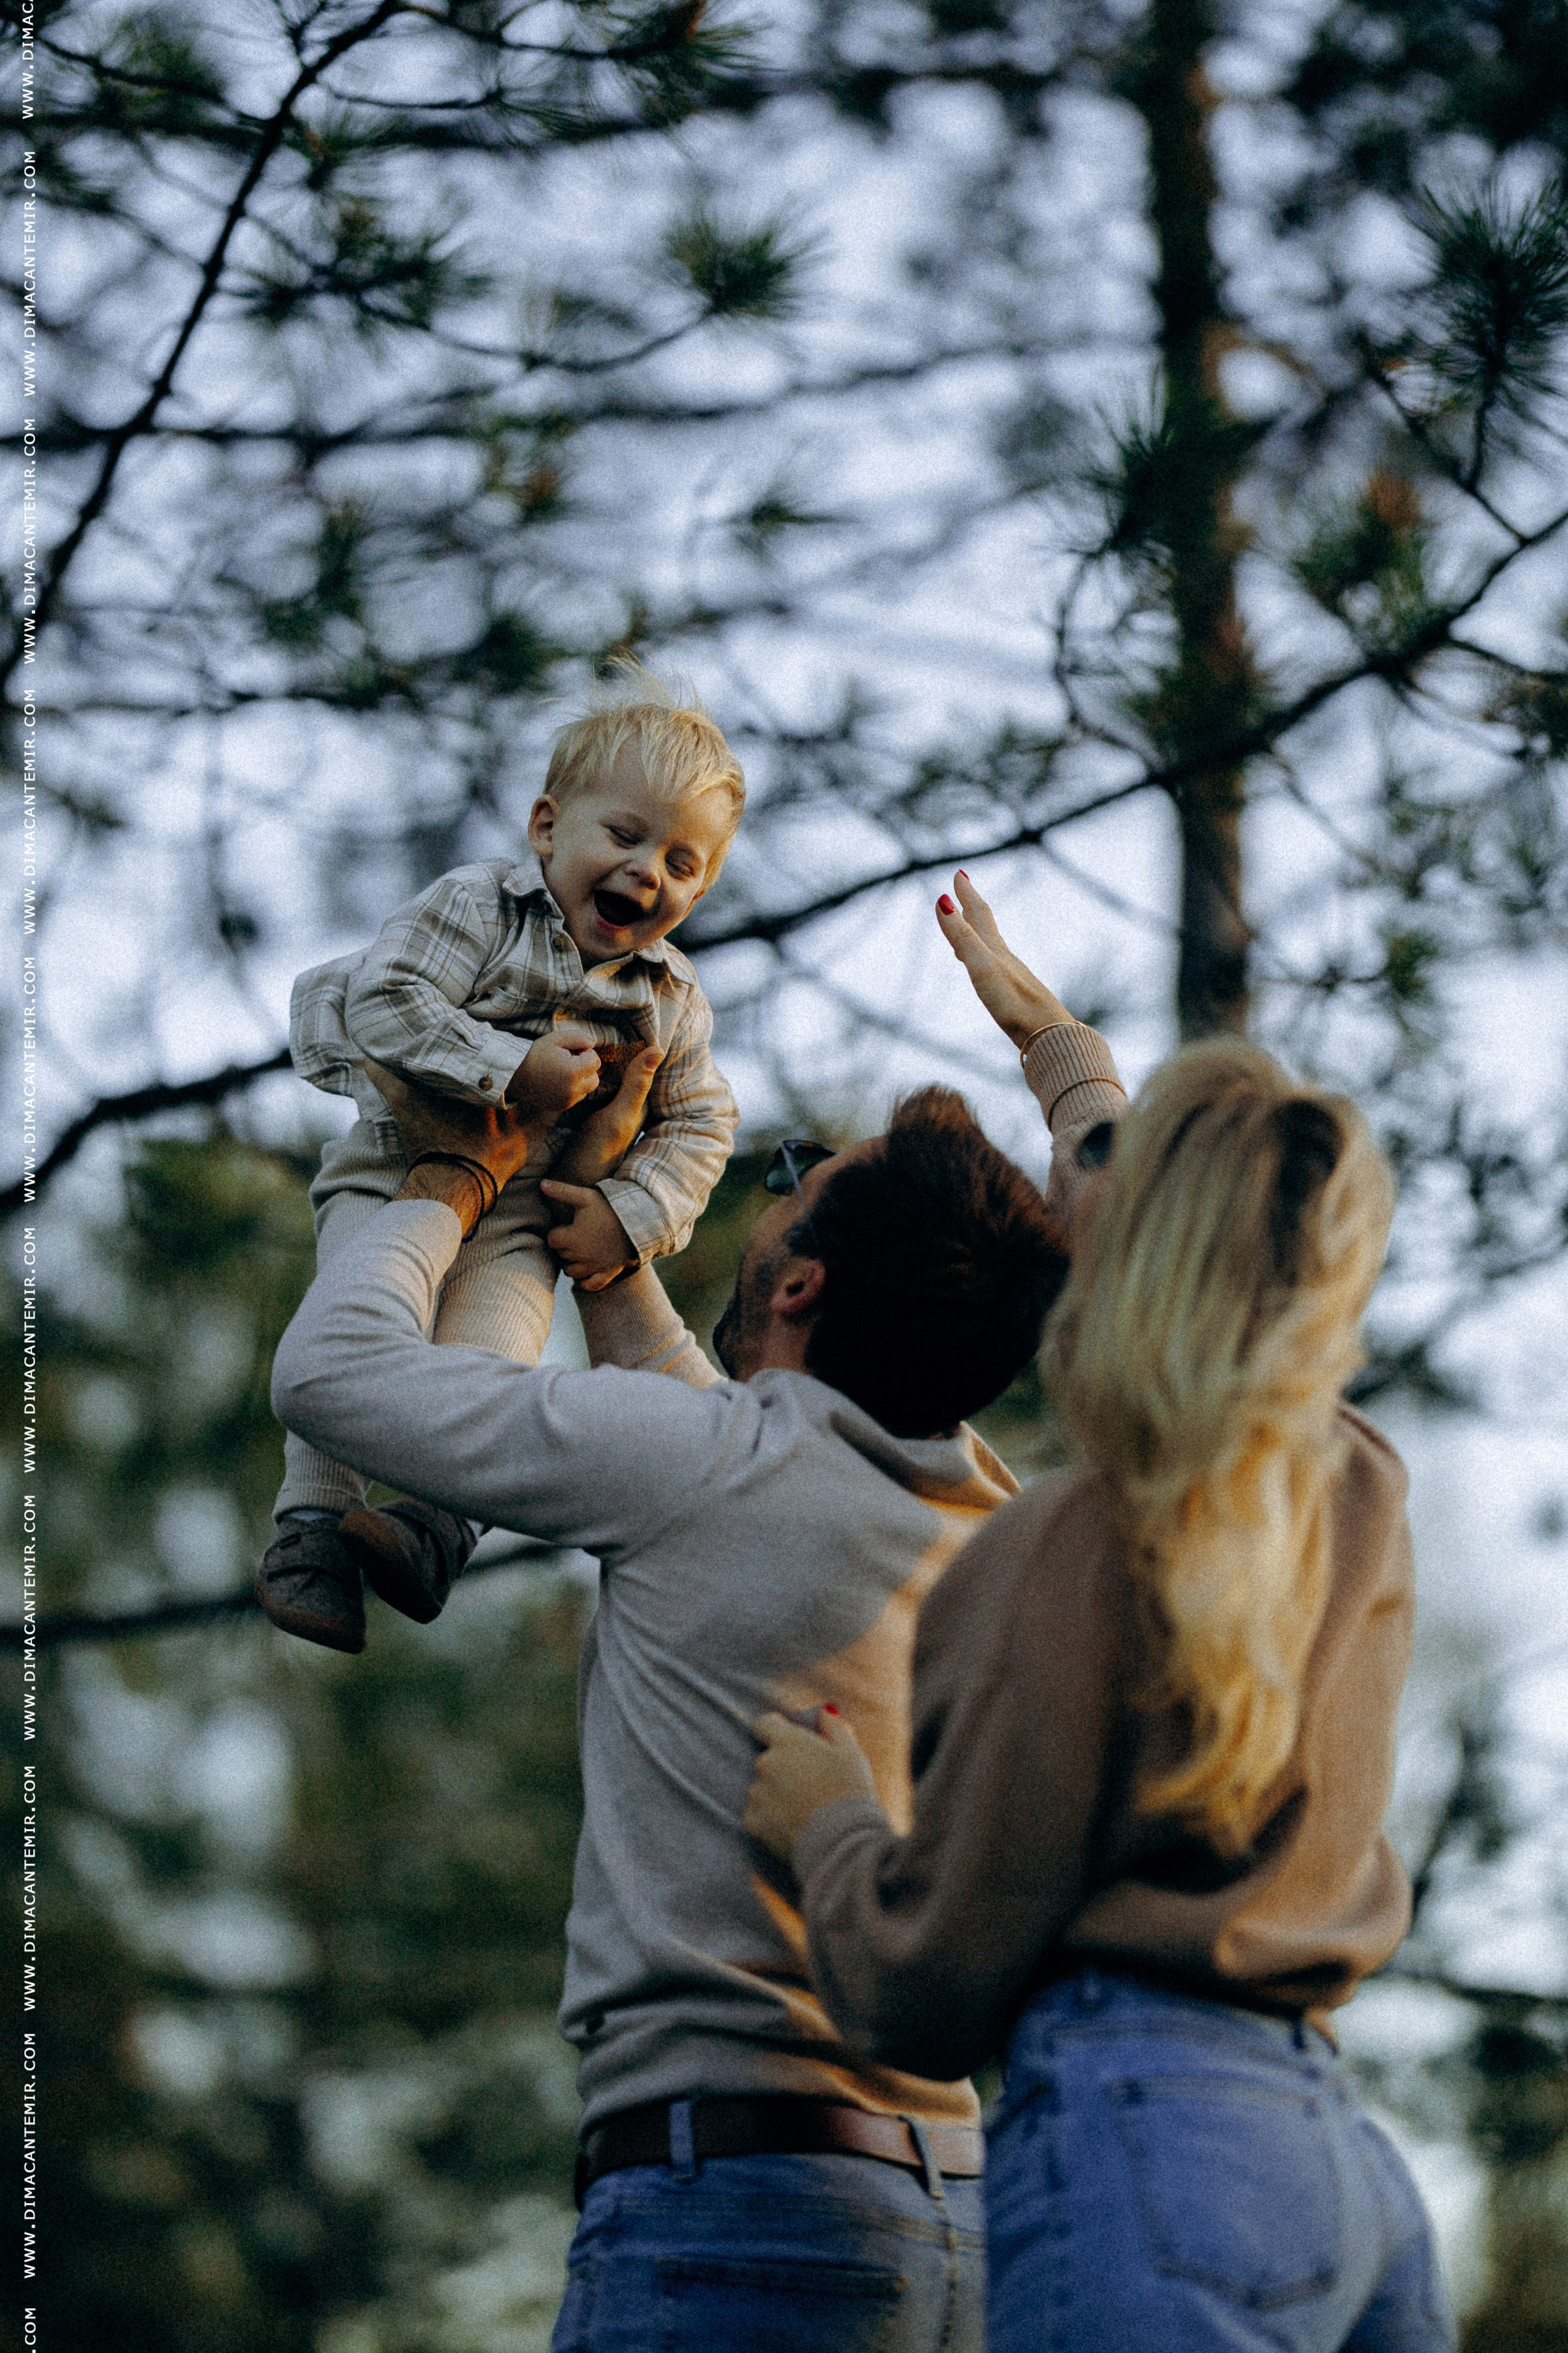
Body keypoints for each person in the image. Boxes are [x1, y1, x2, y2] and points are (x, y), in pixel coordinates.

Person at [268, 977, 1120, 2353]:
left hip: (735, 2205)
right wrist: (610, 1260)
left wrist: (448, 1176)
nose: (765, 1195)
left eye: (790, 1180)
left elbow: (330, 1373)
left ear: (797, 1283)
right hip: (958, 2222)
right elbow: (731, 1439)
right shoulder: (988, 1516)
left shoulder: (711, 1471)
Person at [744, 877, 1455, 2351]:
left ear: (1118, 1243)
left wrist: (824, 1822)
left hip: (1145, 2148)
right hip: (1343, 2174)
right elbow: (1189, 1214)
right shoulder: (1355, 1489)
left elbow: (931, 1986)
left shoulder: (1056, 1549)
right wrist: (1049, 1038)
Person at [260, 671, 744, 1655]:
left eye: (682, 862)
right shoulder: (479, 907)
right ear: (546, 827)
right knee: (354, 1334)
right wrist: (505, 1067)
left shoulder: (672, 999)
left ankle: (435, 1531)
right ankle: (312, 1530)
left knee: (492, 1357)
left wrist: (632, 1215)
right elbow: (385, 997)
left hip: (521, 1216)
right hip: (399, 1167)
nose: (648, 870)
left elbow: (701, 1124)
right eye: (625, 836)